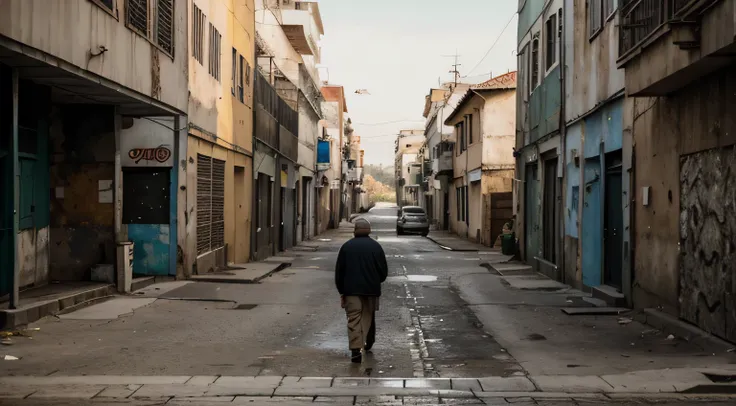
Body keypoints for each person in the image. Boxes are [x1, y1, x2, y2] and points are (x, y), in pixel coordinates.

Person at [334, 218, 388, 363]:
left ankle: (355, 349)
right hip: (371, 290)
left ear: (355, 230)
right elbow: (383, 272)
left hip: (351, 290)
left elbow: (339, 272)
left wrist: (342, 291)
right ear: (369, 230)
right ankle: (364, 343)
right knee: (366, 318)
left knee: (353, 319)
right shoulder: (376, 247)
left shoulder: (346, 247)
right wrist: (376, 281)